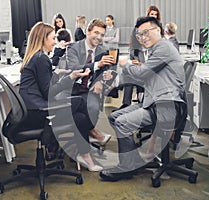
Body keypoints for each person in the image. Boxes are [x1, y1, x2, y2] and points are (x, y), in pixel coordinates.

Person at [99, 16, 187, 181]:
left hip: (167, 106)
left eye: (146, 32)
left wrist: (126, 64)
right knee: (114, 116)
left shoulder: (163, 48)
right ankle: (134, 161)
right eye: (139, 35)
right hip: (154, 102)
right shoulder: (155, 50)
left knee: (121, 123)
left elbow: (142, 73)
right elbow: (143, 77)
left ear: (158, 30)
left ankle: (126, 168)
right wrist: (115, 84)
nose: (143, 38)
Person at [18, 22, 103, 171]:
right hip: (39, 112)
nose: (55, 42)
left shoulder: (35, 56)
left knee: (80, 118)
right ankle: (92, 135)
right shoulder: (41, 59)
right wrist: (70, 78)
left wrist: (59, 73)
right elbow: (49, 92)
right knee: (81, 103)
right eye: (52, 38)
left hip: (30, 110)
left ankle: (85, 155)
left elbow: (43, 82)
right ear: (43, 39)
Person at [67, 18, 115, 143]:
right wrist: (97, 65)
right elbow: (74, 68)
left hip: (89, 91)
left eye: (102, 35)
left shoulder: (103, 51)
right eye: (96, 33)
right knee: (80, 116)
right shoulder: (73, 48)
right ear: (88, 32)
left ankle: (86, 140)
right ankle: (91, 133)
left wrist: (101, 82)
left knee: (92, 108)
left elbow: (110, 72)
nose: (99, 37)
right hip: (72, 90)